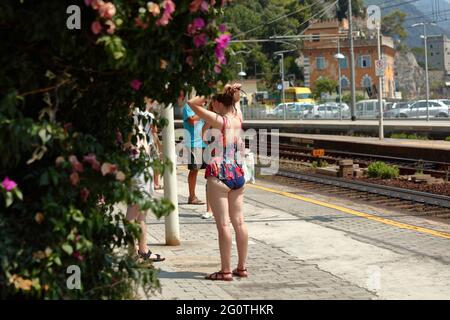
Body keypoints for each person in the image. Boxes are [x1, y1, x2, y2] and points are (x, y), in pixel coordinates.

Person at [187, 84, 248, 281]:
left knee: (223, 224)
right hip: (238, 173)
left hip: (219, 174)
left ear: (219, 102)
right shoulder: (238, 117)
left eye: (214, 101)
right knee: (239, 222)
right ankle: (242, 267)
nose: (212, 103)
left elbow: (192, 103)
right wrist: (230, 91)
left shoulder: (218, 120)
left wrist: (211, 92)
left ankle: (226, 270)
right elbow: (235, 102)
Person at [123, 102, 165, 262]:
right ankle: (132, 253)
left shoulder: (145, 114)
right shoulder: (133, 114)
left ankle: (143, 249)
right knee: (134, 211)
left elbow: (151, 138)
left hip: (143, 163)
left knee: (142, 211)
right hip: (136, 164)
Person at [181, 90, 207, 205]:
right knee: (194, 170)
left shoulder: (201, 108)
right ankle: (191, 196)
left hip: (202, 143)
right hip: (192, 143)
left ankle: (196, 196)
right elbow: (191, 121)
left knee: (200, 170)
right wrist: (202, 112)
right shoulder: (188, 107)